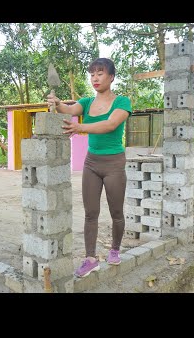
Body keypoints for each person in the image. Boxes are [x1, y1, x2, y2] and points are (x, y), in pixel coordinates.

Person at [47, 58, 132, 278]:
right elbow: (69, 109)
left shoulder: (122, 102)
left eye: (100, 73)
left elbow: (110, 124)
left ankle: (114, 249)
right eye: (92, 74)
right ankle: (90, 259)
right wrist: (57, 103)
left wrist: (80, 127)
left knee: (116, 212)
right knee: (90, 213)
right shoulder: (86, 102)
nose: (95, 78)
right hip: (91, 163)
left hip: (114, 163)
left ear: (111, 77)